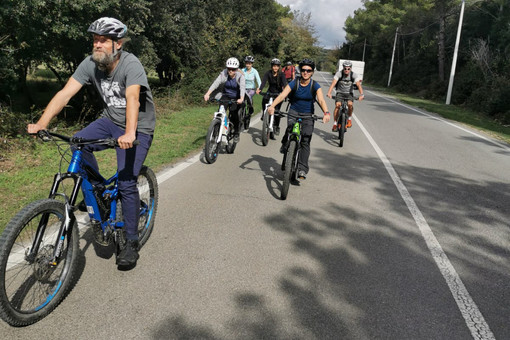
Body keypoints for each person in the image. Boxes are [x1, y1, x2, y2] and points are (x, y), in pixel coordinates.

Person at [27, 17, 156, 267]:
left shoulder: (131, 64)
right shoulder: (90, 64)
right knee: (77, 143)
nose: (97, 45)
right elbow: (65, 93)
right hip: (109, 120)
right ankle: (99, 192)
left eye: (103, 41)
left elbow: (133, 98)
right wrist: (42, 123)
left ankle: (130, 241)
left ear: (118, 44)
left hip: (138, 127)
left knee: (127, 181)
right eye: (95, 40)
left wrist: (129, 133)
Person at [267, 58, 330, 180]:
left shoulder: (315, 85)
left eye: (309, 70)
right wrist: (272, 106)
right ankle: (285, 144)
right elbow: (283, 95)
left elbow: (321, 100)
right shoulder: (294, 83)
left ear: (312, 72)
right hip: (294, 111)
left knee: (305, 140)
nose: (305, 72)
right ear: (300, 71)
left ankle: (302, 169)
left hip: (308, 115)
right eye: (303, 70)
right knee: (290, 129)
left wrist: (326, 113)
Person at [204, 57, 246, 142]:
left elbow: (242, 87)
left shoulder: (240, 76)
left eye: (233, 69)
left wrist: (241, 98)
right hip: (226, 95)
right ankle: (216, 131)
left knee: (235, 116)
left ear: (237, 69)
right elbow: (216, 83)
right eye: (229, 69)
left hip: (236, 97)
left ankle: (236, 133)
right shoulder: (224, 73)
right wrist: (208, 93)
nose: (230, 71)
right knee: (220, 111)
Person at [326, 60, 364, 131]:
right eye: (345, 68)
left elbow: (358, 85)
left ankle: (349, 119)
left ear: (351, 68)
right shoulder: (339, 74)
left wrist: (361, 94)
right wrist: (329, 92)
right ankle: (335, 123)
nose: (346, 70)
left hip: (349, 94)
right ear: (343, 68)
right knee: (337, 105)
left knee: (350, 105)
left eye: (348, 68)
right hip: (340, 93)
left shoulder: (353, 75)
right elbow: (333, 83)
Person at [257, 58, 287, 139]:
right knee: (264, 101)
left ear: (279, 67)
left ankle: (276, 126)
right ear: (272, 66)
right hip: (270, 91)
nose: (275, 68)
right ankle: (264, 113)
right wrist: (260, 89)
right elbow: (263, 82)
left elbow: (285, 84)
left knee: (277, 111)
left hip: (278, 94)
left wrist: (285, 92)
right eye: (274, 66)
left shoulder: (282, 74)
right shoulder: (268, 73)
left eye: (277, 66)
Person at [241, 55, 261, 129]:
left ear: (252, 64)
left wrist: (259, 88)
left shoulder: (254, 71)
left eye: (249, 63)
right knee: (240, 101)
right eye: (247, 63)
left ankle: (250, 110)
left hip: (251, 89)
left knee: (248, 97)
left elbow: (259, 80)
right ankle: (240, 113)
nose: (248, 65)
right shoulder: (242, 70)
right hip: (243, 89)